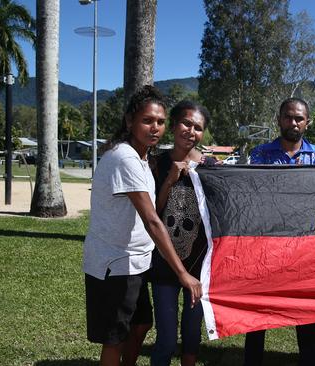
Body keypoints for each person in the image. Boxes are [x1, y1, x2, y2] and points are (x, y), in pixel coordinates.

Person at [82, 85, 202, 366]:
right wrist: (183, 274)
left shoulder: (142, 157)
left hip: (134, 263)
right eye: (147, 120)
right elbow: (152, 220)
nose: (155, 128)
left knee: (139, 326)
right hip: (115, 263)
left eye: (160, 122)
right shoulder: (125, 158)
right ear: (129, 121)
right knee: (116, 338)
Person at [245, 97, 315, 366]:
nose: (293, 122)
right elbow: (255, 194)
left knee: (303, 304)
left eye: (299, 118)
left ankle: (309, 355)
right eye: (288, 117)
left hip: (304, 243)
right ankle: (253, 358)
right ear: (279, 119)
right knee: (259, 303)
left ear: (307, 122)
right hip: (266, 241)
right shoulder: (259, 154)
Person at [150, 100, 216, 366]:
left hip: (199, 265)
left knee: (191, 335)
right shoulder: (155, 164)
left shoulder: (211, 167)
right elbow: (152, 213)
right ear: (174, 125)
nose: (191, 131)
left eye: (198, 127)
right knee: (166, 339)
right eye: (186, 123)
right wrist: (169, 180)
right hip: (164, 263)